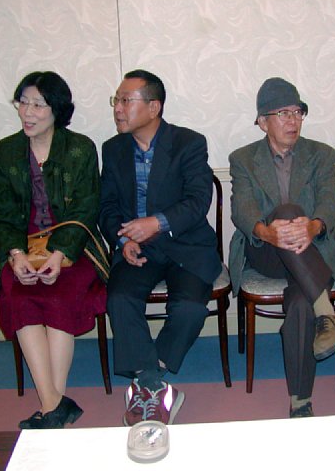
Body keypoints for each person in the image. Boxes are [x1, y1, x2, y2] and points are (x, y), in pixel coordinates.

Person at [0, 71, 109, 429]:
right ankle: (54, 405)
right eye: (23, 102)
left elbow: (86, 208)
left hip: (75, 248)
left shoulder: (80, 148)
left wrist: (58, 254)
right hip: (22, 250)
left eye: (38, 104)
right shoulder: (6, 152)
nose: (27, 111)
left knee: (59, 296)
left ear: (57, 109)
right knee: (20, 297)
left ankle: (52, 406)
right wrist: (15, 255)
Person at [229, 77, 335, 418]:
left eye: (298, 112)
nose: (293, 120)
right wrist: (267, 232)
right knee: (287, 212)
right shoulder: (243, 159)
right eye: (283, 113)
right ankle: (327, 312)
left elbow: (331, 202)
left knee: (301, 302)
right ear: (263, 122)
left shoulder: (321, 154)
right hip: (265, 251)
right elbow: (242, 208)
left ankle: (300, 400)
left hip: (311, 250)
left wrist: (314, 226)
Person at [98, 69, 221, 426]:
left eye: (126, 101)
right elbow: (106, 207)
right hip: (137, 248)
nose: (118, 108)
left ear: (154, 107)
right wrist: (123, 240)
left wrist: (157, 222)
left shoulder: (188, 143)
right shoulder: (113, 149)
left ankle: (149, 380)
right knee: (120, 299)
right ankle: (154, 384)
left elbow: (198, 201)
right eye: (117, 100)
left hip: (185, 245)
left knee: (190, 309)